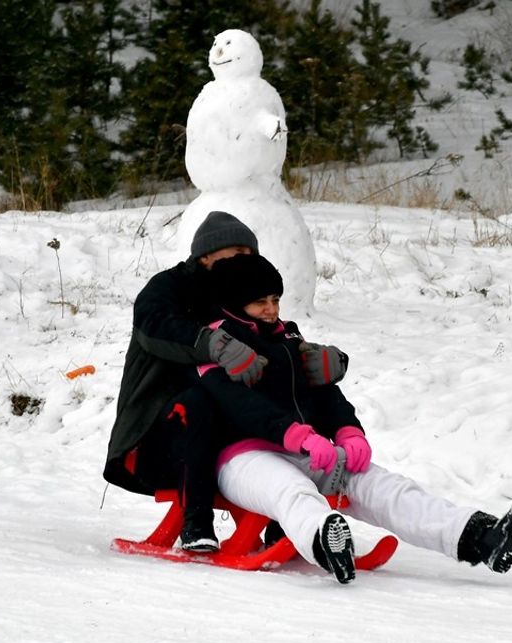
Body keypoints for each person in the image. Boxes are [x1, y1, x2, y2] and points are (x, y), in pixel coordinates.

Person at [197, 253, 512, 584]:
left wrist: (348, 431)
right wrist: (296, 435)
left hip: (305, 448)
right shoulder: (218, 344)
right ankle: (325, 542)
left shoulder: (289, 338)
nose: (271, 309)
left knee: (382, 486)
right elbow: (238, 404)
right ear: (234, 303)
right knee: (292, 490)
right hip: (241, 456)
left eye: (275, 299)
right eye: (259, 303)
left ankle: (482, 538)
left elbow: (324, 391)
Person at [102, 211, 346, 552]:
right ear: (205, 256)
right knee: (201, 400)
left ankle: (285, 524)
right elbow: (154, 327)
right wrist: (212, 344)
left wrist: (316, 361)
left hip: (227, 435)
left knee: (275, 396)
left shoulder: (240, 295)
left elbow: (277, 340)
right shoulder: (168, 288)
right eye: (236, 253)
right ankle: (196, 524)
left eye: (250, 255)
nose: (244, 261)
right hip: (155, 434)